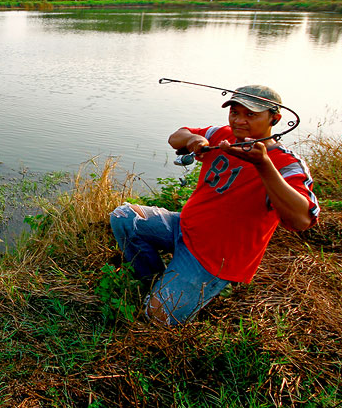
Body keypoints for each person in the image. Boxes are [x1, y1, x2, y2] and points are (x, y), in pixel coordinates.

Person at [109, 85, 319, 325]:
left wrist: (263, 165)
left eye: (251, 114)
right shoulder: (222, 135)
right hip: (184, 227)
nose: (240, 121)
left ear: (275, 118)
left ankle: (182, 284)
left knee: (156, 318)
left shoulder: (286, 164)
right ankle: (153, 278)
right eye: (235, 113)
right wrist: (192, 139)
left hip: (217, 257)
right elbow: (176, 136)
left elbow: (301, 220)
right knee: (124, 216)